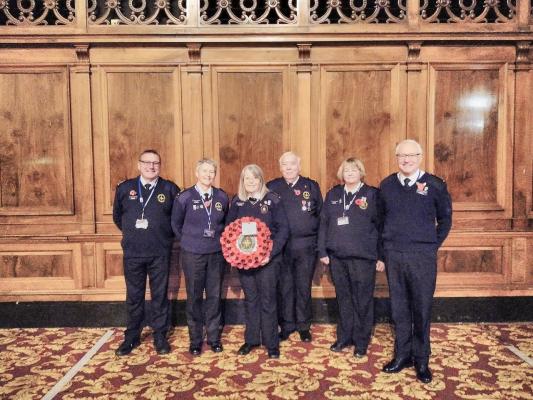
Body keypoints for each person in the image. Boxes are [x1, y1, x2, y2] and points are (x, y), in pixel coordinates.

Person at [380, 139, 452, 383]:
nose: (406, 160)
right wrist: (385, 251)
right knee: (399, 309)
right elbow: (380, 221)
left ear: (420, 157)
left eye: (411, 155)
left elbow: (445, 220)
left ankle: (421, 359)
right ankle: (402, 355)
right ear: (396, 157)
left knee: (421, 308)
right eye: (401, 155)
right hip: (394, 255)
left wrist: (431, 245)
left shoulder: (435, 185)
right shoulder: (387, 185)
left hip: (422, 256)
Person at [112, 149, 180, 356]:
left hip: (159, 251)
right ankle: (132, 336)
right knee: (134, 296)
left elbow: (177, 219)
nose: (151, 167)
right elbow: (118, 218)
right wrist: (134, 234)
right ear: (138, 165)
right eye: (147, 163)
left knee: (160, 295)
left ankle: (160, 336)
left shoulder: (169, 188)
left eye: (156, 163)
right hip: (133, 252)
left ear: (160, 166)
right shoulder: (125, 188)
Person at [318, 157, 384, 358]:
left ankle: (361, 341)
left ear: (360, 172)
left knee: (362, 300)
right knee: (344, 299)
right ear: (341, 173)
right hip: (338, 257)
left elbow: (382, 227)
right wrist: (322, 251)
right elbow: (324, 224)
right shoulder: (334, 194)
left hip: (364, 258)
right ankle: (345, 336)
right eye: (346, 170)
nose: (350, 173)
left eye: (354, 169)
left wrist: (381, 256)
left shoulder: (372, 194)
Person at [226, 164, 289, 358]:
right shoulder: (237, 202)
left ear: (261, 179)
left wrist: (270, 254)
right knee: (251, 300)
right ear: (242, 182)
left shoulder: (273, 200)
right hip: (245, 263)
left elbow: (283, 230)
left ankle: (272, 343)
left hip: (267, 262)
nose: (250, 182)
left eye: (254, 178)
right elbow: (230, 230)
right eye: (247, 179)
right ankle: (251, 339)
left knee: (268, 300)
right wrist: (235, 254)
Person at [171, 159, 229, 356]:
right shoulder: (185, 197)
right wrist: (190, 241)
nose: (208, 175)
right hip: (193, 254)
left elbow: (227, 224)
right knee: (194, 297)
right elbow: (175, 224)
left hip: (215, 254)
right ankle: (195, 340)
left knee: (214, 296)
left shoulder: (222, 197)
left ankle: (213, 338)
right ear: (197, 173)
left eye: (212, 172)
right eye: (204, 171)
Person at [267, 152, 322, 342]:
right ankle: (287, 324)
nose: (288, 168)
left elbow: (321, 217)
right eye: (284, 164)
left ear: (299, 165)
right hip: (281, 248)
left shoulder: (311, 186)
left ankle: (303, 325)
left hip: (306, 246)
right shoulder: (272, 187)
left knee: (303, 287)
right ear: (280, 167)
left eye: (292, 164)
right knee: (285, 287)